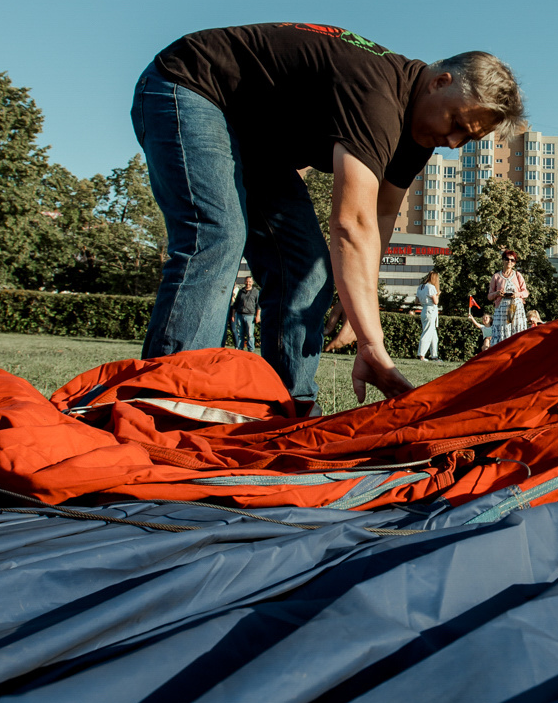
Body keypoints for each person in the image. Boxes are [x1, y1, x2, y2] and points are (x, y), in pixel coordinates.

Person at [132, 22, 522, 413]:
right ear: (439, 81)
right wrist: (373, 341)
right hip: (189, 86)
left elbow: (380, 214)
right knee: (217, 235)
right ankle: (167, 394)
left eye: (467, 139)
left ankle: (287, 407)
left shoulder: (417, 134)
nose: (452, 142)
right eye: (456, 123)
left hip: (256, 141)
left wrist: (361, 306)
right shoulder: (378, 96)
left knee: (306, 266)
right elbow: (350, 224)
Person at [486, 251, 529, 347]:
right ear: (503, 260)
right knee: (501, 333)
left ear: (514, 263)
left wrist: (517, 294)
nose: (509, 262)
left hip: (515, 308)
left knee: (515, 331)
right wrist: (497, 294)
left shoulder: (518, 275)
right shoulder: (496, 276)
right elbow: (489, 296)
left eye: (512, 260)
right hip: (501, 310)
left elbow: (525, 292)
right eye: (507, 259)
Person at [415, 270, 442, 361]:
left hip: (424, 310)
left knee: (433, 335)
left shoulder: (421, 287)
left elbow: (416, 301)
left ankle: (434, 356)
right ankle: (422, 355)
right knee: (427, 333)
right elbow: (436, 301)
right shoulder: (431, 287)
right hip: (431, 310)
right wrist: (438, 294)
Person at [229, 275, 259, 352]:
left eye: (249, 281)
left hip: (250, 315)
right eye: (246, 281)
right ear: (244, 282)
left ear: (252, 282)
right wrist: (233, 315)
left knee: (250, 334)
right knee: (240, 334)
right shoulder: (241, 291)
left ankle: (251, 350)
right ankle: (240, 349)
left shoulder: (256, 292)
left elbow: (258, 305)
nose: (248, 283)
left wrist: (258, 316)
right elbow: (235, 304)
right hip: (239, 314)